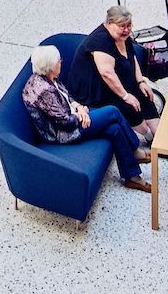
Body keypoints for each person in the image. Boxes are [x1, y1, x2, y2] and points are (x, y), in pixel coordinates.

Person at [22, 43, 150, 192]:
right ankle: (134, 150)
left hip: (71, 116)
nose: (61, 63)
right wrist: (80, 116)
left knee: (114, 129)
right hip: (61, 133)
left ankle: (132, 177)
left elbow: (66, 95)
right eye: (58, 61)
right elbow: (64, 122)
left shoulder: (48, 77)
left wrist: (79, 107)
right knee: (113, 111)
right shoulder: (44, 90)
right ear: (50, 66)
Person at [66, 6, 162, 146]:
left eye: (129, 25)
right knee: (129, 106)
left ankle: (162, 139)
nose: (126, 29)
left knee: (145, 95)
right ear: (109, 23)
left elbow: (132, 57)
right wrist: (126, 96)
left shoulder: (123, 36)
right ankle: (149, 137)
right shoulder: (100, 42)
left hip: (116, 81)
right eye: (122, 26)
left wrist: (141, 82)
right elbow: (107, 74)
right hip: (94, 91)